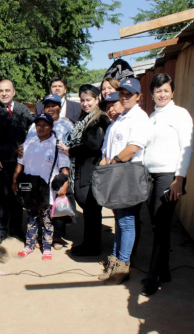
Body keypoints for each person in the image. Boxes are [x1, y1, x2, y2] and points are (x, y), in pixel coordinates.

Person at [141, 73, 194, 296]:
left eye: (166, 90)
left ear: (172, 92)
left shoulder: (180, 114)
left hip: (169, 177)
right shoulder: (152, 116)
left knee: (161, 226)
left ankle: (153, 277)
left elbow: (187, 147)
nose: (162, 94)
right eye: (158, 90)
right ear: (152, 94)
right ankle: (164, 270)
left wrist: (179, 179)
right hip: (150, 176)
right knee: (157, 226)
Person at [98, 78, 151, 285]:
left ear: (139, 96)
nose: (124, 97)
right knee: (119, 222)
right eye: (122, 93)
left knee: (127, 222)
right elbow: (106, 151)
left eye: (129, 93)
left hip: (128, 175)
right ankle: (115, 260)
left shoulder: (139, 118)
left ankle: (123, 266)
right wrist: (104, 169)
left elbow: (132, 148)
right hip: (115, 175)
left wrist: (111, 163)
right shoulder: (120, 119)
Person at [57, 85, 111, 256]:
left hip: (92, 169)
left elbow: (93, 146)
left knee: (92, 210)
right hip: (83, 168)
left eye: (89, 100)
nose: (85, 103)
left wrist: (70, 151)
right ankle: (89, 243)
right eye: (82, 100)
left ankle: (92, 246)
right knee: (88, 210)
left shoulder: (99, 119)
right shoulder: (86, 118)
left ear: (97, 100)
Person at [0, 79, 33, 244]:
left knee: (18, 197)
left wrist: (27, 147)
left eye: (7, 90)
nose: (4, 93)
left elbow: (32, 133)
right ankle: (0, 231)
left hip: (19, 163)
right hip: (0, 163)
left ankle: (17, 229)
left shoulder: (23, 110)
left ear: (14, 92)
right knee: (1, 199)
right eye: (1, 91)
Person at [12, 113, 70, 260]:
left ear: (51, 127)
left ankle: (47, 247)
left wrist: (64, 187)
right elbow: (20, 163)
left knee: (47, 220)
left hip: (48, 190)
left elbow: (65, 169)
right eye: (38, 125)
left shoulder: (57, 145)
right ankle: (29, 245)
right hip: (30, 190)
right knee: (31, 218)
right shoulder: (28, 143)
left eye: (45, 125)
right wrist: (14, 179)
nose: (41, 128)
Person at [26, 94, 75, 250]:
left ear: (60, 108)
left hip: (59, 167)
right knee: (39, 207)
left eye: (54, 106)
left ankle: (57, 237)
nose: (51, 109)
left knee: (58, 203)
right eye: (48, 106)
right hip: (39, 173)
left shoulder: (67, 124)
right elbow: (27, 146)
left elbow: (73, 145)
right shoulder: (34, 127)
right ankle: (39, 237)